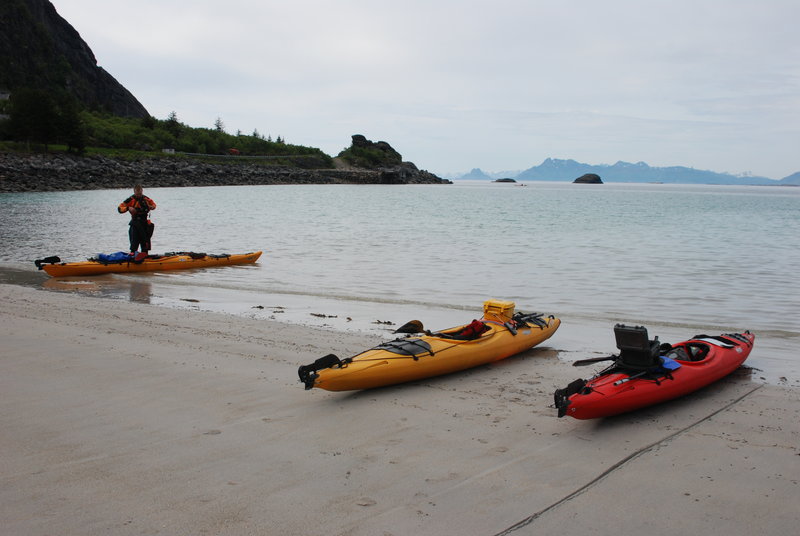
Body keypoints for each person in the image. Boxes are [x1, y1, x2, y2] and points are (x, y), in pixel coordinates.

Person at [118, 184, 156, 256]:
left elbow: (154, 205)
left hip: (145, 223)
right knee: (134, 243)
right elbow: (120, 208)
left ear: (142, 191)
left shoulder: (146, 199)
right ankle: (133, 255)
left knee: (145, 244)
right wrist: (128, 208)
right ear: (134, 192)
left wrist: (151, 207)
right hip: (135, 223)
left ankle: (145, 255)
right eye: (137, 193)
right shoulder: (130, 199)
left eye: (140, 193)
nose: (139, 195)